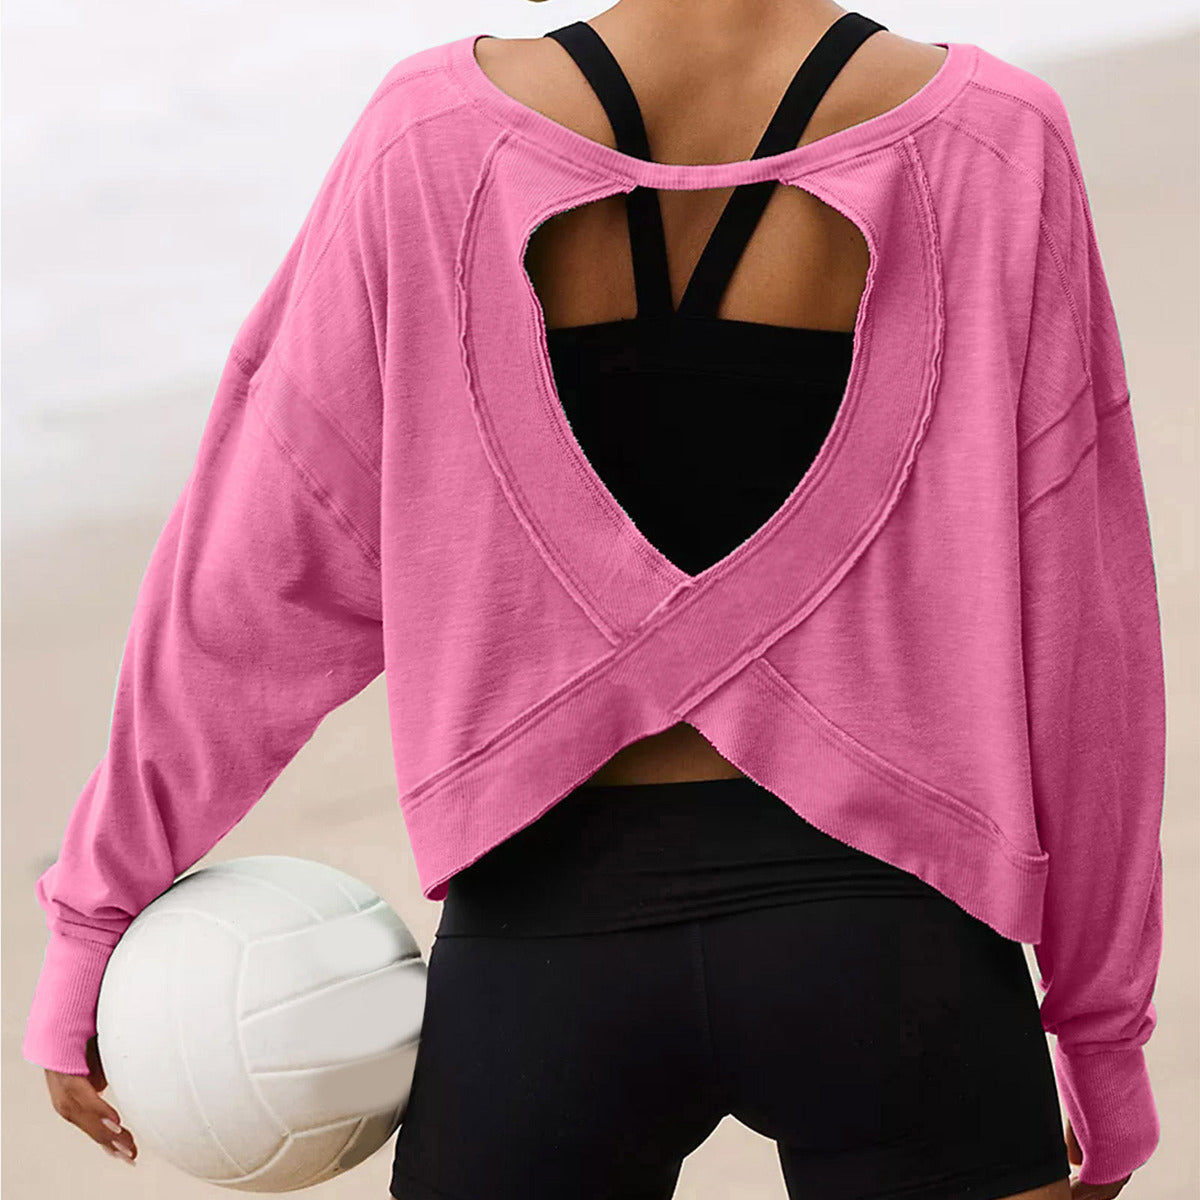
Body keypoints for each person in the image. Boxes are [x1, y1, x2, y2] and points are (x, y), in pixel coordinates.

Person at [32, 3, 1165, 1198]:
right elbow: (1085, 641)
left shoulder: (427, 139)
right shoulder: (994, 142)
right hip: (898, 948)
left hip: (541, 952)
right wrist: (1101, 1037)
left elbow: (251, 590)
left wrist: (95, 915)